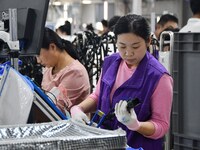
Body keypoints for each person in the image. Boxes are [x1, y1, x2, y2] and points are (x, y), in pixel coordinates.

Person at [70, 14, 173, 149]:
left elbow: (161, 125)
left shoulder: (159, 77)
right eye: (122, 46)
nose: (128, 53)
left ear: (148, 41)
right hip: (105, 143)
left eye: (135, 47)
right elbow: (98, 96)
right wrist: (78, 108)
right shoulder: (110, 63)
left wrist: (136, 125)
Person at [36, 27, 90, 114]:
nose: (38, 61)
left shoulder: (75, 73)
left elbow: (55, 110)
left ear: (52, 47)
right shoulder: (49, 68)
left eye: (38, 55)